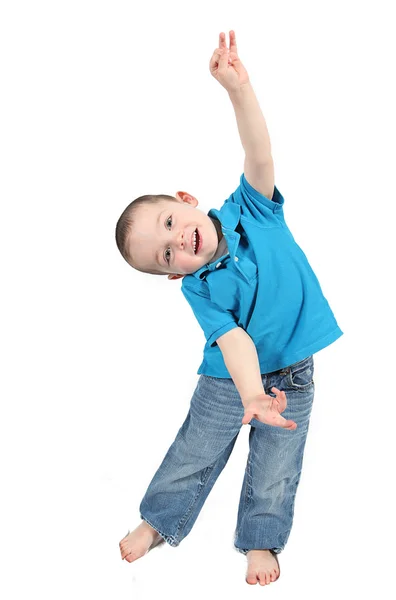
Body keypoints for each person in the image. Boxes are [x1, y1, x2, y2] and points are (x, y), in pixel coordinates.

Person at [115, 30, 343, 587]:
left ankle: (261, 542)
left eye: (170, 224)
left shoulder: (252, 210)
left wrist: (238, 89)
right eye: (166, 254)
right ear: (173, 273)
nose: (177, 242)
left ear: (186, 200)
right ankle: (156, 521)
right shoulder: (201, 289)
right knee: (196, 450)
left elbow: (259, 151)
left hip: (292, 369)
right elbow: (235, 341)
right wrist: (249, 396)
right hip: (228, 381)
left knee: (277, 462)